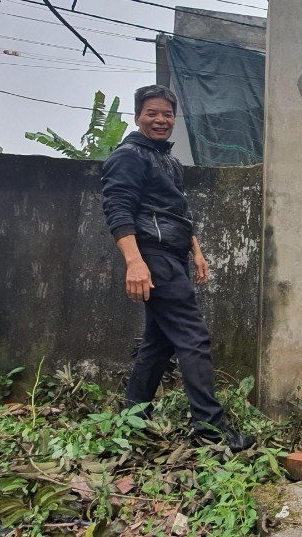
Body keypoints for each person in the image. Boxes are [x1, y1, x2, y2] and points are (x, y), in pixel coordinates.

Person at [101, 85, 255, 452]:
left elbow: (179, 212)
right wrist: (134, 261)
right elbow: (118, 209)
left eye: (167, 114)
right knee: (193, 337)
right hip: (153, 256)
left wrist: (196, 251)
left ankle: (132, 418)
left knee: (159, 342)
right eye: (152, 113)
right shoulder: (128, 156)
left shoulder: (166, 159)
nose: (160, 120)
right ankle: (211, 432)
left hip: (173, 256)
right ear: (137, 116)